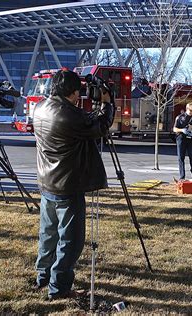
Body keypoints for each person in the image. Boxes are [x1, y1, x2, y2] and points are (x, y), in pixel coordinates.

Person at [32, 69, 113, 300]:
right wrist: (107, 103)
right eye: (79, 93)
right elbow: (101, 126)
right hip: (67, 185)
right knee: (71, 240)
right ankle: (59, 287)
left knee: (48, 234)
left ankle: (43, 276)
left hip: (47, 182)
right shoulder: (68, 115)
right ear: (74, 92)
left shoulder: (40, 107)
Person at [173, 103, 192, 180]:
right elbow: (174, 129)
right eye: (191, 110)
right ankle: (182, 176)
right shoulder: (180, 117)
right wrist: (182, 130)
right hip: (181, 138)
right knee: (181, 158)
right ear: (187, 109)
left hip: (191, 139)